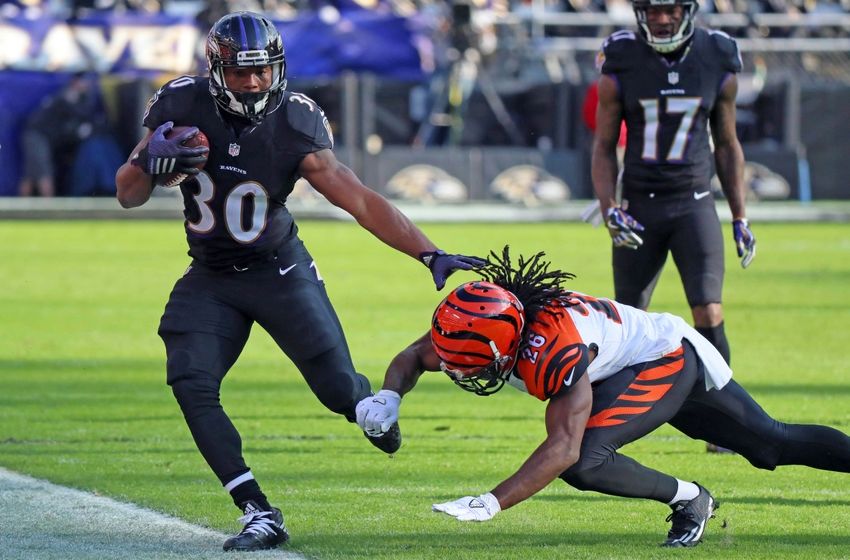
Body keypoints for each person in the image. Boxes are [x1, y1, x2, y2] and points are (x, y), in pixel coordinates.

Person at [114, 11, 483, 552]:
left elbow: (356, 197)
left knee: (337, 390)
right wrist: (152, 160)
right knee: (191, 382)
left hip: (278, 270)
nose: (254, 82)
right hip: (211, 275)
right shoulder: (179, 101)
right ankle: (258, 511)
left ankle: (367, 408)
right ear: (216, 69)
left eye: (262, 71)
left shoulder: (296, 118)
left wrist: (428, 254)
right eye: (241, 72)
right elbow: (128, 193)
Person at [356, 247, 850, 548]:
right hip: (629, 361)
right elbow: (413, 357)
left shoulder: (551, 351)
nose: (460, 373)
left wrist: (492, 502)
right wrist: (388, 398)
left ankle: (692, 498)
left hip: (667, 358)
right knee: (768, 447)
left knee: (587, 460)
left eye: (474, 365)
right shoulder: (480, 319)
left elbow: (564, 449)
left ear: (503, 347)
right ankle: (692, 499)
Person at [591, 0, 756, 370]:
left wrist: (740, 216)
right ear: (640, 14)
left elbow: (728, 144)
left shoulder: (716, 56)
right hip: (639, 205)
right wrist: (609, 208)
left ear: (688, 11)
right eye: (653, 11)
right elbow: (602, 145)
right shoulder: (622, 57)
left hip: (693, 200)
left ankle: (724, 406)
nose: (662, 20)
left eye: (671, 11)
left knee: (709, 308)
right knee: (629, 319)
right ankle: (619, 410)